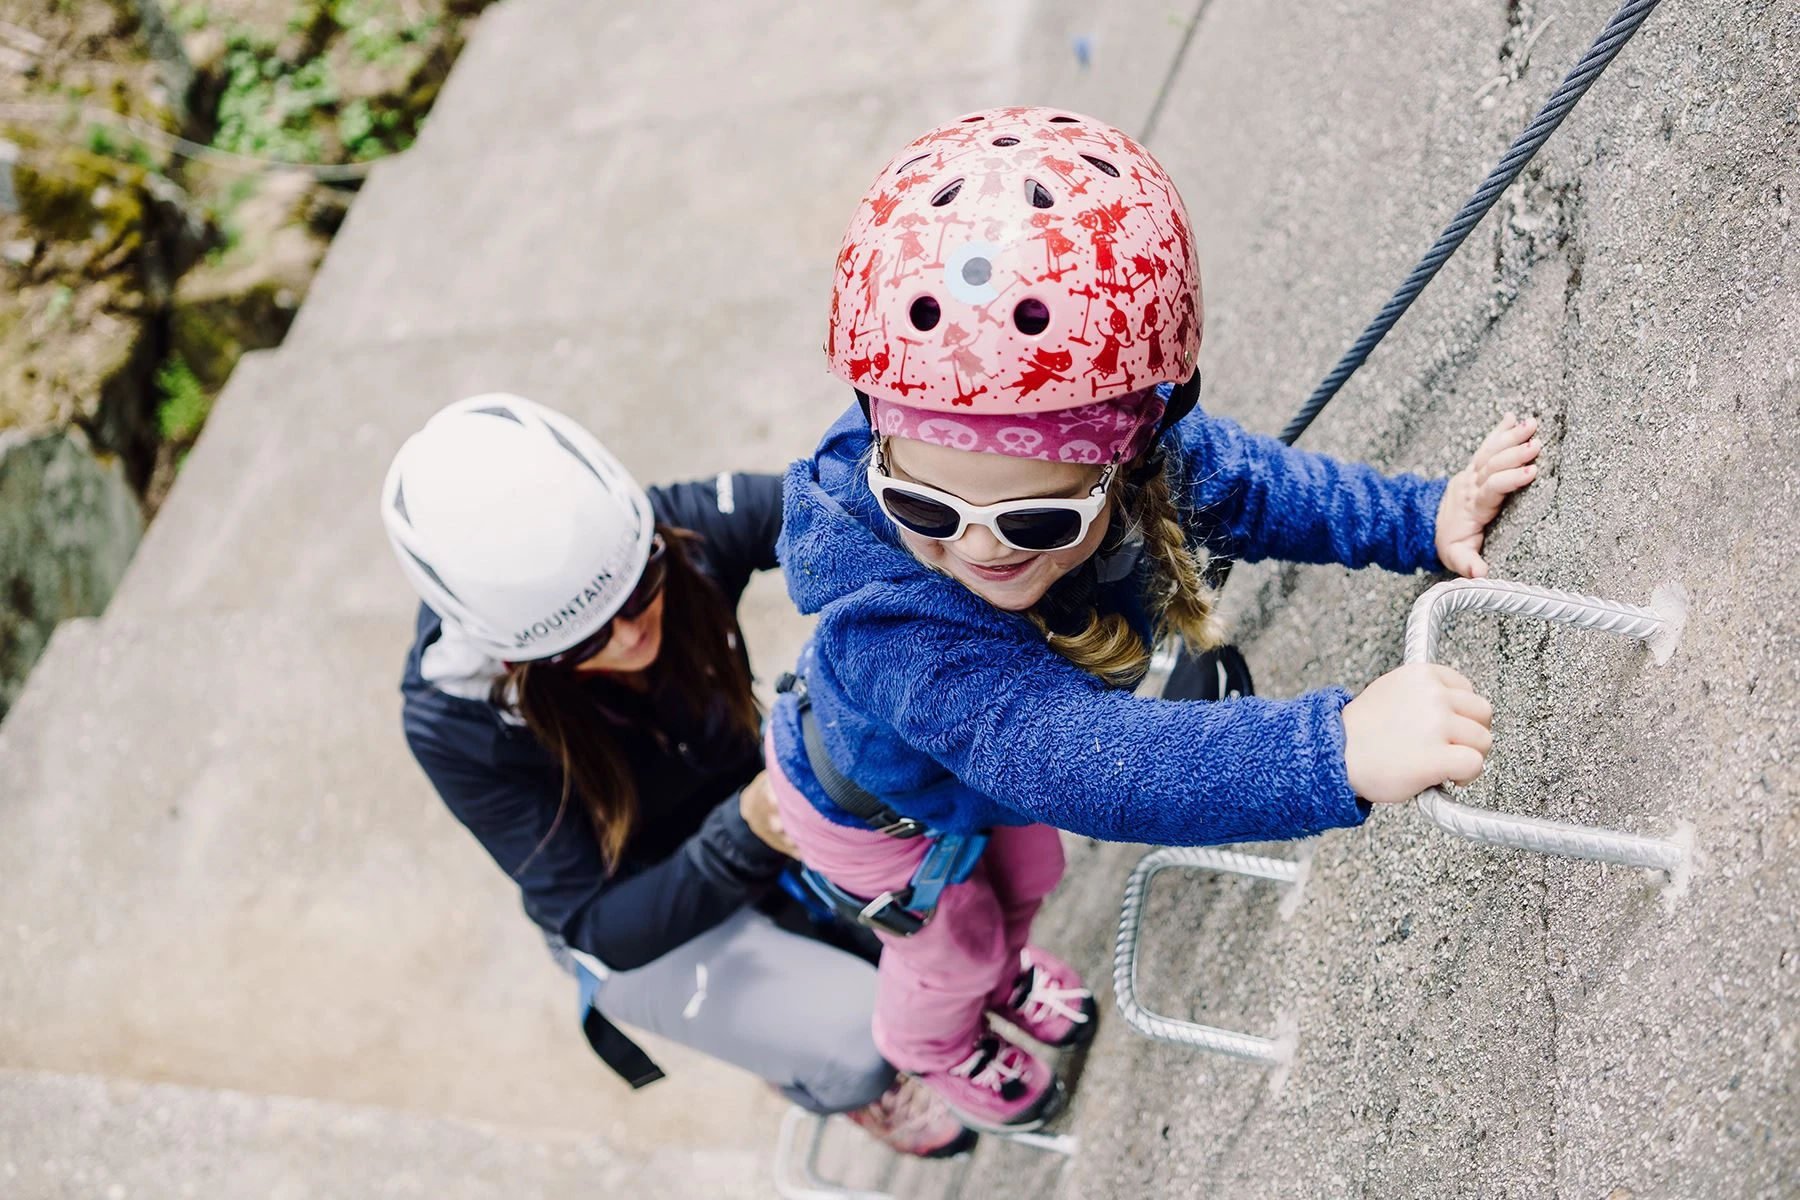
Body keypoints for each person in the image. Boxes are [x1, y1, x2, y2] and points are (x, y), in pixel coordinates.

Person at [762, 107, 1542, 1133]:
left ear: (1129, 454)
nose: (979, 548)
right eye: (926, 510)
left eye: (1037, 517)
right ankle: (938, 1045)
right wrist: (1332, 748)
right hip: (873, 813)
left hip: (968, 777)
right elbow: (1077, 759)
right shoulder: (891, 623)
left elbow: (1259, 489)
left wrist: (1418, 517)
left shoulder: (1146, 448)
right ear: (880, 449)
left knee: (1025, 874)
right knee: (951, 936)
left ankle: (1006, 973)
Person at [381, 394, 976, 1158]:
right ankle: (834, 1080)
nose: (632, 635)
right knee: (862, 1042)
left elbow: (843, 508)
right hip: (643, 908)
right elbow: (597, 926)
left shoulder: (644, 536)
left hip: (753, 800)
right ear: (509, 659)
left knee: (950, 878)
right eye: (582, 641)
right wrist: (746, 833)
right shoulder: (456, 724)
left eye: (639, 592)